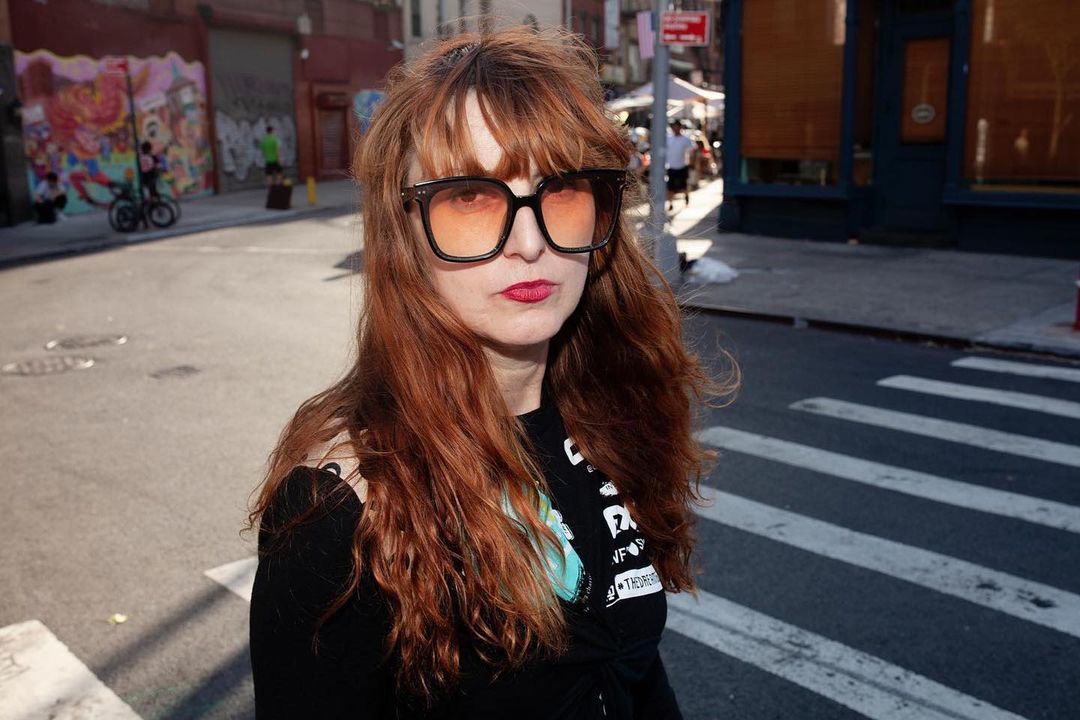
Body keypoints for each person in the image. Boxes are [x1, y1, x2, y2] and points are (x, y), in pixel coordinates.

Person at [248, 27, 731, 719]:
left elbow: (632, 672)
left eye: (562, 189)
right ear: (403, 232)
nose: (530, 243)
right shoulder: (341, 506)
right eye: (470, 198)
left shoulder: (613, 414)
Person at [665, 121, 694, 212]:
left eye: (677, 127)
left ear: (680, 128)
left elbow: (692, 151)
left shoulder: (685, 139)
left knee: (684, 185)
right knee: (670, 187)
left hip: (682, 166)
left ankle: (686, 196)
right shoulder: (668, 139)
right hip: (671, 166)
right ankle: (670, 204)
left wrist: (691, 162)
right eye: (674, 127)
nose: (675, 129)